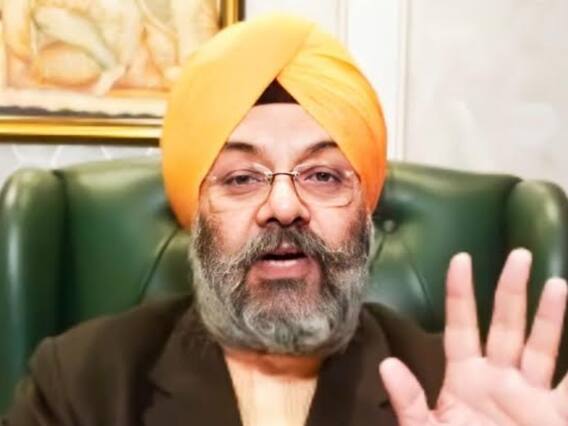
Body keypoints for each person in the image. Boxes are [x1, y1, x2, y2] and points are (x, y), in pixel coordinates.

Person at [4, 13, 568, 426]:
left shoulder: (451, 389)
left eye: (321, 175)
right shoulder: (81, 384)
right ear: (195, 217)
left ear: (365, 214)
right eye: (241, 178)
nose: (283, 205)